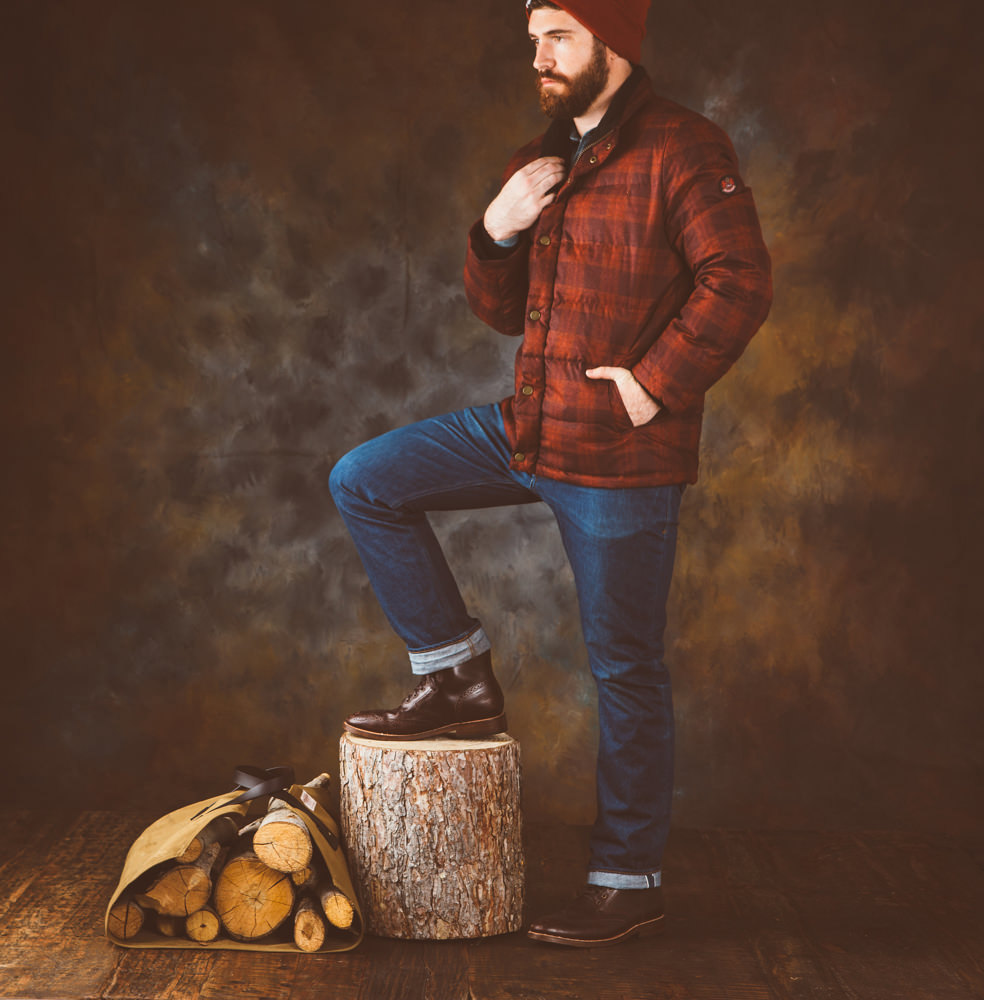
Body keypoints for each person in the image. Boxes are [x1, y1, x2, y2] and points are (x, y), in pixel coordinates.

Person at [329, 0, 772, 947]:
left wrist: (653, 385)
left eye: (558, 36)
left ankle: (628, 879)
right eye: (533, 38)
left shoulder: (685, 148)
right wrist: (496, 227)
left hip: (620, 454)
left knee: (624, 669)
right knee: (365, 479)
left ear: (613, 43)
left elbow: (738, 278)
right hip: (528, 429)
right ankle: (457, 679)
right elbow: (502, 313)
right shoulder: (542, 158)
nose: (539, 55)